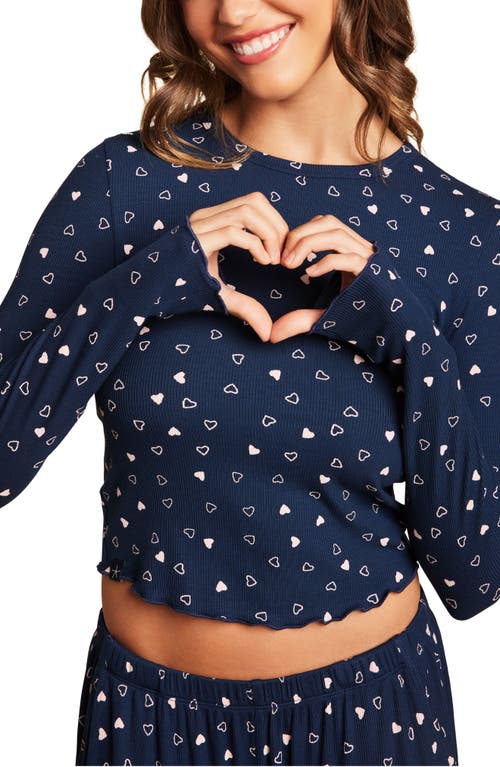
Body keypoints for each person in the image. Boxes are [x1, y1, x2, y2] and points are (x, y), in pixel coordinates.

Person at [0, 0, 498, 764]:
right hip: (148, 720)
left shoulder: (466, 234)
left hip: (368, 718)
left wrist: (405, 330)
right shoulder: (124, 182)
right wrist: (147, 282)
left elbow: (475, 573)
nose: (233, 10)